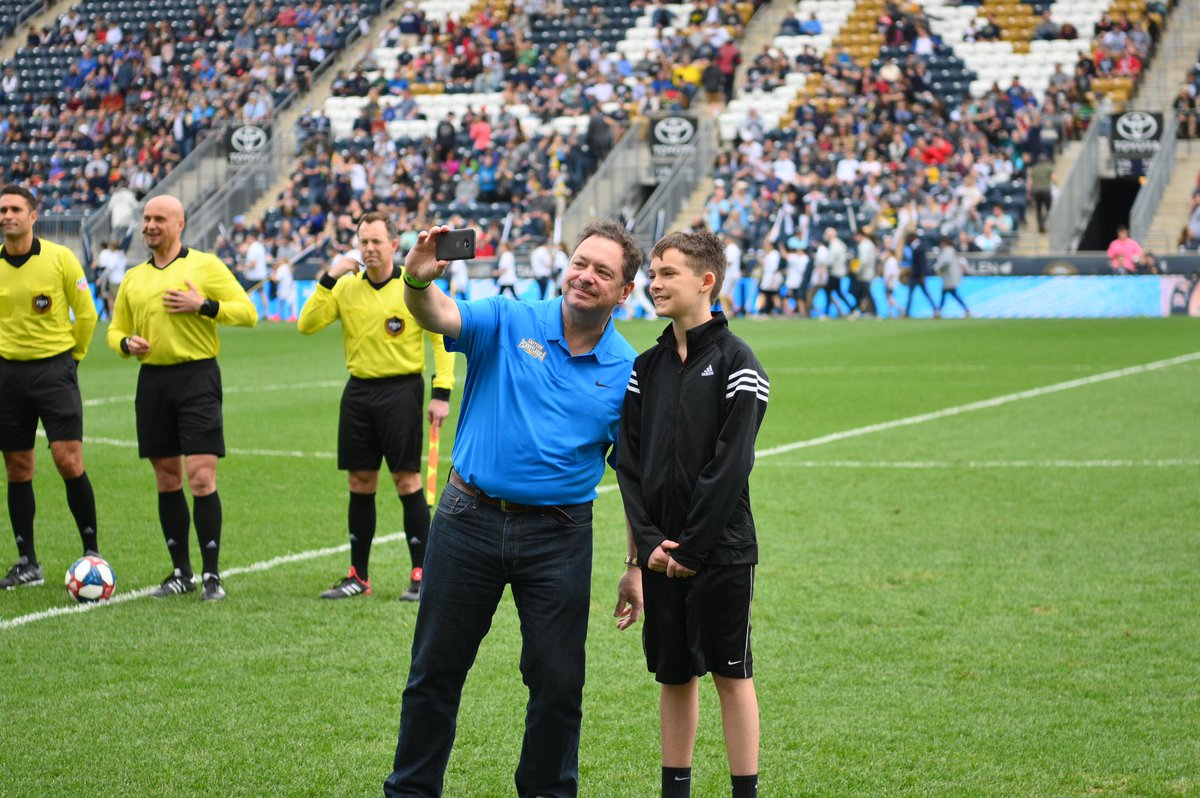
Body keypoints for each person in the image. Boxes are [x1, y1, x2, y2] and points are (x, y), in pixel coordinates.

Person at [383, 219, 645, 798]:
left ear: (625, 292)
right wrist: (417, 280)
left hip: (560, 536)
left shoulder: (629, 370)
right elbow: (440, 316)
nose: (586, 277)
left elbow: (632, 476)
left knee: (557, 684)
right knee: (434, 673)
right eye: (581, 262)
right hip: (466, 520)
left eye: (604, 271)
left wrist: (634, 565)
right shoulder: (508, 316)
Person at [616, 230, 769, 798]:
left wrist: (695, 548)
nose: (654, 283)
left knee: (732, 672)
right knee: (673, 674)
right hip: (661, 557)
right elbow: (628, 465)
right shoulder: (645, 367)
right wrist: (650, 545)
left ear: (706, 282)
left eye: (667, 273)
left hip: (721, 552)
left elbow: (731, 466)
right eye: (653, 273)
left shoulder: (739, 363)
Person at [106, 195, 258, 601]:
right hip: (152, 381)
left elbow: (247, 311)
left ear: (180, 224)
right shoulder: (134, 277)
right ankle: (180, 572)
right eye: (147, 218)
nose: (150, 225)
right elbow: (113, 329)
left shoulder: (205, 265)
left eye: (159, 219)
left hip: (197, 378)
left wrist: (203, 305)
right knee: (166, 478)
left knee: (202, 477)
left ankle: (211, 576)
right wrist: (125, 342)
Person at [297, 212, 455, 601]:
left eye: (376, 241)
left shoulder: (412, 285)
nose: (369, 249)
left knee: (407, 481)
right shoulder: (346, 288)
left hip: (402, 391)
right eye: (363, 241)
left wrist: (441, 393)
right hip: (359, 393)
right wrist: (329, 278)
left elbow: (440, 339)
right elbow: (307, 324)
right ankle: (358, 575)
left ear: (393, 243)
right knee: (360, 483)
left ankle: (421, 574)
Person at [0, 184, 100, 589]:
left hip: (54, 370)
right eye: (2, 210)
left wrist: (72, 359)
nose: (6, 216)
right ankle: (27, 562)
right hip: (8, 375)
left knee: (67, 459)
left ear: (32, 216)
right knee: (17, 467)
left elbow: (87, 314)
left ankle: (92, 552)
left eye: (14, 209)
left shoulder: (60, 258)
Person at [934, 235, 970, 317]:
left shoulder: (948, 250)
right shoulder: (950, 250)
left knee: (948, 294)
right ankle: (966, 310)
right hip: (948, 277)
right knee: (951, 294)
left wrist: (939, 269)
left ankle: (938, 311)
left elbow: (946, 262)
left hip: (949, 277)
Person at [96, 237, 127, 320]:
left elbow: (108, 269)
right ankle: (115, 314)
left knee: (113, 298)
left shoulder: (114, 256)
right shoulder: (122, 254)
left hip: (114, 281)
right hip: (121, 279)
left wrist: (100, 279)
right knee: (114, 298)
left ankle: (113, 315)